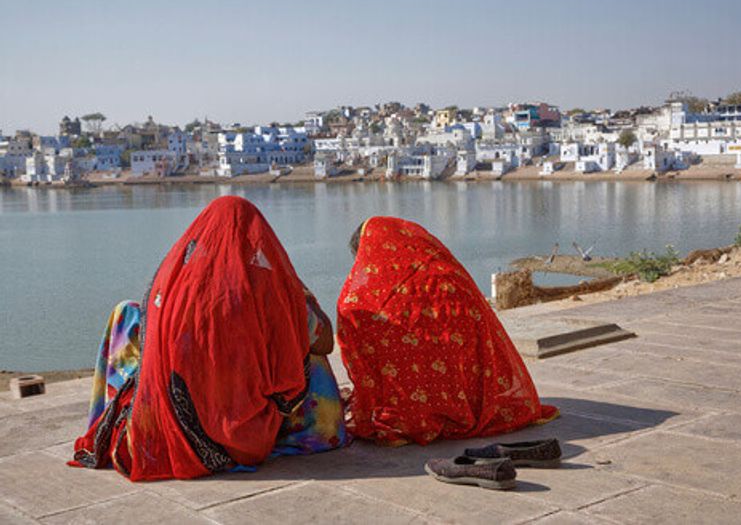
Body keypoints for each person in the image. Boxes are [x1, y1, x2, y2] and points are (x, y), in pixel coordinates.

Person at [70, 196, 346, 481]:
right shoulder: (271, 292)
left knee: (127, 313)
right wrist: (293, 287)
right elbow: (324, 342)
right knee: (304, 352)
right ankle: (316, 433)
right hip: (245, 442)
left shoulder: (178, 288)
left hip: (175, 430)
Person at [337, 216, 558, 446]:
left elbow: (351, 322)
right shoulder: (448, 275)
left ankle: (419, 412)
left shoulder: (367, 299)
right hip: (465, 394)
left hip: (407, 408)